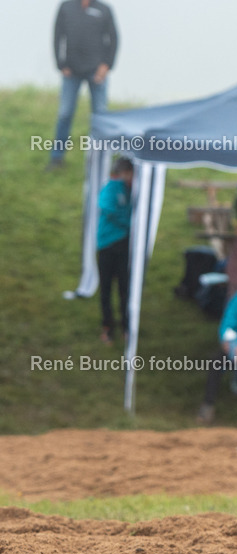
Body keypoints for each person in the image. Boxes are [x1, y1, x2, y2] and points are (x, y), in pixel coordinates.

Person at [49, 0, 118, 170]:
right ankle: (57, 158)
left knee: (100, 115)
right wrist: (61, 64)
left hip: (96, 72)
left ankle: (100, 159)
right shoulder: (66, 7)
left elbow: (114, 39)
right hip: (71, 70)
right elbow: (57, 35)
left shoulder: (104, 9)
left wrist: (106, 65)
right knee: (65, 114)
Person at [197, 260, 237, 424]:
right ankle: (207, 406)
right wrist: (228, 342)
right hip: (236, 343)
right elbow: (228, 323)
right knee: (216, 361)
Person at [96, 157, 132, 343]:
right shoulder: (112, 188)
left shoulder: (131, 190)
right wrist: (128, 223)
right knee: (107, 288)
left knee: (125, 288)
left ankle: (127, 326)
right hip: (108, 246)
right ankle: (107, 326)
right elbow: (108, 208)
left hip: (123, 246)